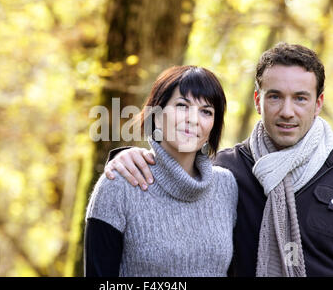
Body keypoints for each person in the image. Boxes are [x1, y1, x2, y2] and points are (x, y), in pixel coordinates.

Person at [104, 43, 333, 277]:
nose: (287, 111)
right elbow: (172, 184)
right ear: (257, 101)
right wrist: (125, 157)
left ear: (318, 103)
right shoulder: (225, 171)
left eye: (300, 98)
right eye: (274, 96)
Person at [84, 65, 238, 277]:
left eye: (206, 111)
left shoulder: (227, 186)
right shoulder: (119, 184)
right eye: (183, 105)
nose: (193, 119)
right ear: (155, 115)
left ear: (213, 125)